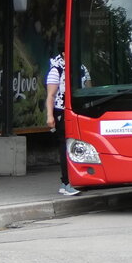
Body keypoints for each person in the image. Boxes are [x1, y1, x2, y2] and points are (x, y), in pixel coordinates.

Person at [45, 53, 78, 196]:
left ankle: (78, 180)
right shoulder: (56, 69)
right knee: (65, 146)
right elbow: (51, 95)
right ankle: (66, 182)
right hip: (62, 111)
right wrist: (50, 115)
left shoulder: (80, 67)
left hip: (78, 110)